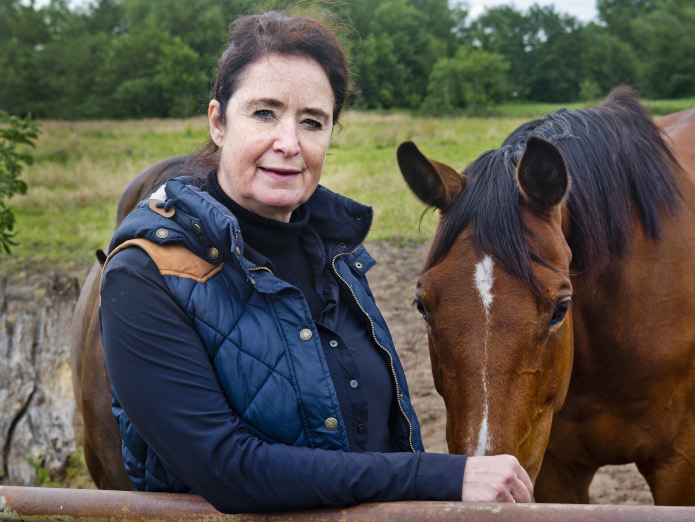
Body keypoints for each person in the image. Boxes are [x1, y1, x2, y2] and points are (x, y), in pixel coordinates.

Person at [99, 10, 532, 513]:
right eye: (264, 113)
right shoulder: (146, 274)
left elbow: (379, 435)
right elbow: (227, 469)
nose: (289, 143)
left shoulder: (336, 252)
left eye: (312, 122)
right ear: (218, 122)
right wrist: (438, 475)